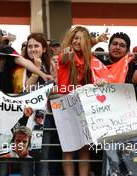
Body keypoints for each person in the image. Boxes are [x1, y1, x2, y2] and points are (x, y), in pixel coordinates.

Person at [57, 25, 107, 176]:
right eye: (74, 38)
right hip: (64, 105)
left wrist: (100, 82)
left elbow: (101, 77)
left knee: (85, 147)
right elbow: (65, 57)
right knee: (69, 147)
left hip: (84, 105)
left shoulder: (90, 59)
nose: (76, 41)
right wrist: (67, 54)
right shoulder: (64, 55)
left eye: (80, 38)